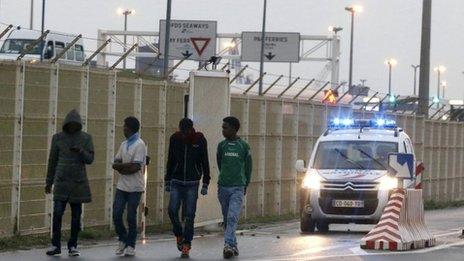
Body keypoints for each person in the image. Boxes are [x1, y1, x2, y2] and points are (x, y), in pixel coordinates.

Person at [45, 109, 95, 257]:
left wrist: (81, 151)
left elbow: (90, 159)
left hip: (78, 183)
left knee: (76, 215)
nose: (72, 127)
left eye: (75, 124)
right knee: (57, 214)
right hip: (61, 182)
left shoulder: (86, 138)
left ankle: (73, 244)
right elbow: (52, 161)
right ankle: (56, 244)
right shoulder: (58, 138)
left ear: (78, 125)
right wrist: (49, 181)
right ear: (66, 124)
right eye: (70, 124)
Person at [165, 118, 211, 258]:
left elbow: (205, 160)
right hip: (177, 180)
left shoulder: (199, 139)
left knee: (190, 215)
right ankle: (179, 233)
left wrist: (205, 182)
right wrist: (168, 179)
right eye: (182, 131)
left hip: (192, 182)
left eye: (186, 131)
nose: (184, 134)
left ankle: (186, 243)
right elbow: (171, 159)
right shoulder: (175, 139)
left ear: (191, 129)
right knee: (172, 210)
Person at [217, 116, 252, 259]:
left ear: (233, 128)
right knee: (227, 218)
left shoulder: (244, 146)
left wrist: (246, 183)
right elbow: (220, 162)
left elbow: (248, 167)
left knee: (232, 217)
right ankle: (234, 244)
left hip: (238, 187)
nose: (223, 130)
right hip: (223, 187)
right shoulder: (222, 146)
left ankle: (228, 245)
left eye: (225, 127)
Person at [112, 116, 147, 257]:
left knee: (131, 216)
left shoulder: (140, 144)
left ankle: (131, 244)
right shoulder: (123, 144)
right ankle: (122, 238)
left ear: (130, 128)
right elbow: (115, 163)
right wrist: (124, 166)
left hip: (135, 188)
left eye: (124, 126)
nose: (123, 128)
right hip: (122, 186)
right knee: (116, 213)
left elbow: (135, 167)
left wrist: (122, 167)